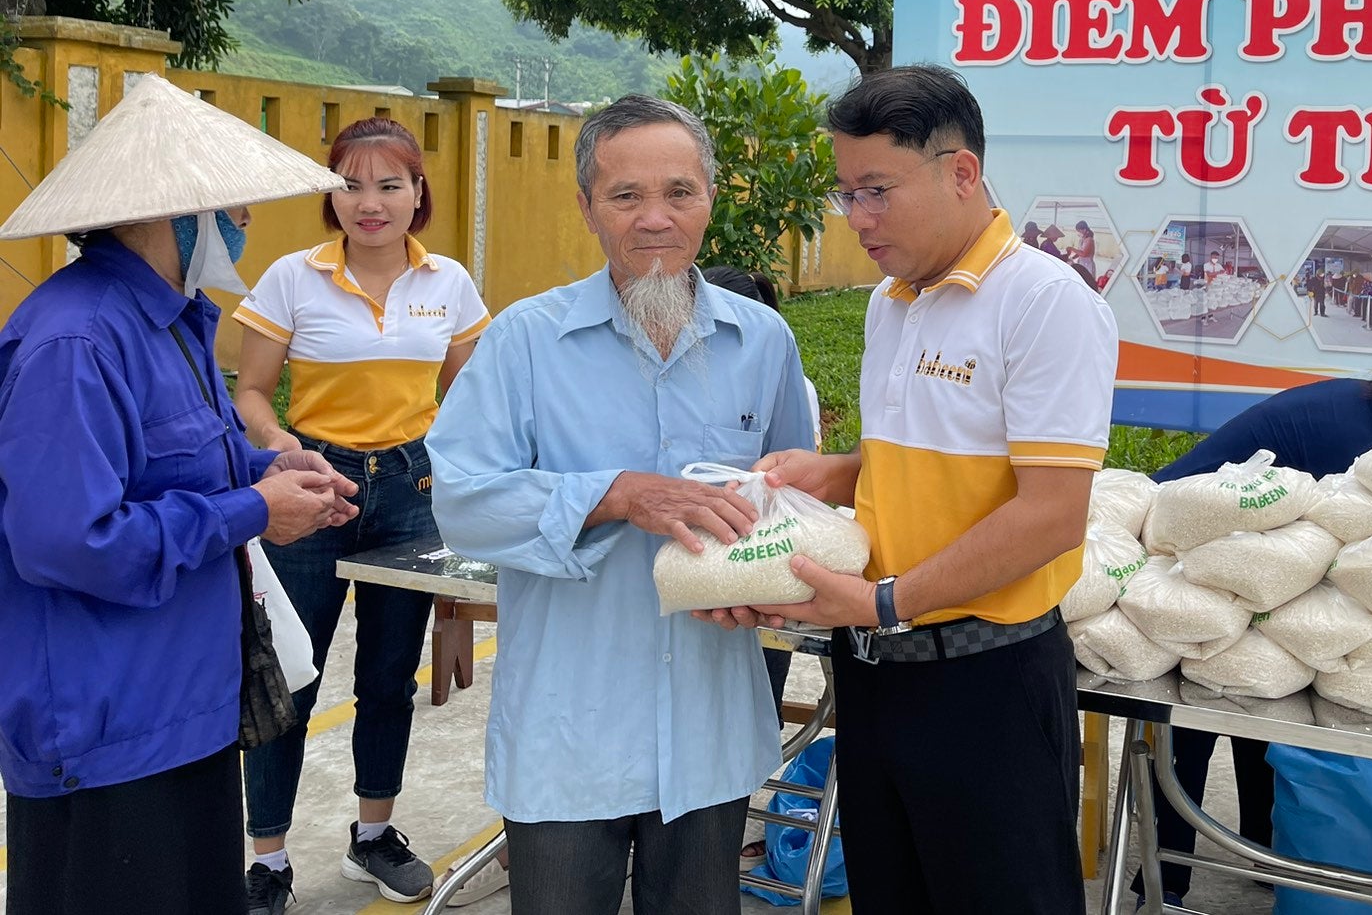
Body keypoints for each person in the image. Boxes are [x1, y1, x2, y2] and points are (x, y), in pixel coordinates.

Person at [712, 64, 1119, 915]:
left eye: (876, 191)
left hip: (986, 682)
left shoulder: (1046, 303)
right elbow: (936, 449)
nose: (857, 218)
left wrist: (885, 602)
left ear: (961, 171)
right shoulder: (892, 302)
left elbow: (1051, 513)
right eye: (846, 193)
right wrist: (839, 469)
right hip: (877, 672)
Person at [426, 95, 814, 915]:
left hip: (708, 729)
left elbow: (793, 501)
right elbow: (462, 501)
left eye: (679, 193)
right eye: (625, 196)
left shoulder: (764, 342)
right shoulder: (525, 341)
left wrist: (770, 581)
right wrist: (614, 494)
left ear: (711, 198)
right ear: (587, 209)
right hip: (571, 732)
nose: (654, 221)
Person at [0, 74, 359, 915]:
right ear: (174, 214)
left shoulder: (175, 320)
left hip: (187, 707)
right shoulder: (75, 339)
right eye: (231, 208)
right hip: (105, 727)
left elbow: (187, 458)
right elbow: (68, 541)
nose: (242, 225)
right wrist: (252, 512)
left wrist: (267, 472)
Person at [1135, 330, 1372, 910]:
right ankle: (1162, 882)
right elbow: (1360, 546)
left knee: (1265, 711)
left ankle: (1266, 856)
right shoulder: (1353, 437)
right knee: (1194, 720)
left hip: (1246, 559)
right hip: (1184, 557)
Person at [232, 119, 490, 912]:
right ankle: (268, 860)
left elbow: (475, 399)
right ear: (330, 193)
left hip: (410, 491)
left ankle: (372, 834)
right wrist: (282, 451)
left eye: (389, 184)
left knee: (387, 677)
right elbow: (248, 392)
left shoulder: (446, 282)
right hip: (312, 484)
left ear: (419, 195)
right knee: (292, 677)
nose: (368, 202)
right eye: (350, 183)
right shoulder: (291, 277)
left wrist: (456, 467)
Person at [699, 263, 824, 866]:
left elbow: (797, 486)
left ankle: (741, 811)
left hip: (752, 571)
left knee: (753, 700)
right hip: (701, 576)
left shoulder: (778, 365)